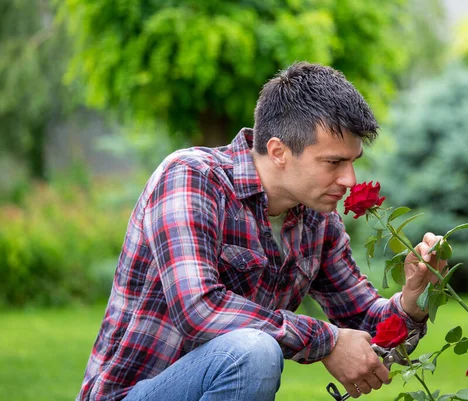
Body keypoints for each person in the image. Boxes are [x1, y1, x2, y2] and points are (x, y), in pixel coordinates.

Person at [76, 62, 447, 401]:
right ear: (278, 151)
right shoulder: (192, 177)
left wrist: (412, 298)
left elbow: (368, 330)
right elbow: (200, 311)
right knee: (252, 352)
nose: (350, 180)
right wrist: (327, 340)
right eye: (333, 162)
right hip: (128, 394)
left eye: (352, 162)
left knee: (254, 349)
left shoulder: (317, 219)